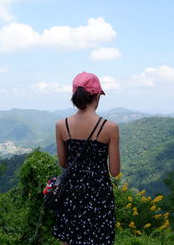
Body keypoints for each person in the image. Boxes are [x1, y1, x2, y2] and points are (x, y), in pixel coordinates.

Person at [53, 72, 120, 245]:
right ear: (97, 95)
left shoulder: (62, 125)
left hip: (71, 193)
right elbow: (114, 171)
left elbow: (63, 163)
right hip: (99, 195)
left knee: (68, 239)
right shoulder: (110, 128)